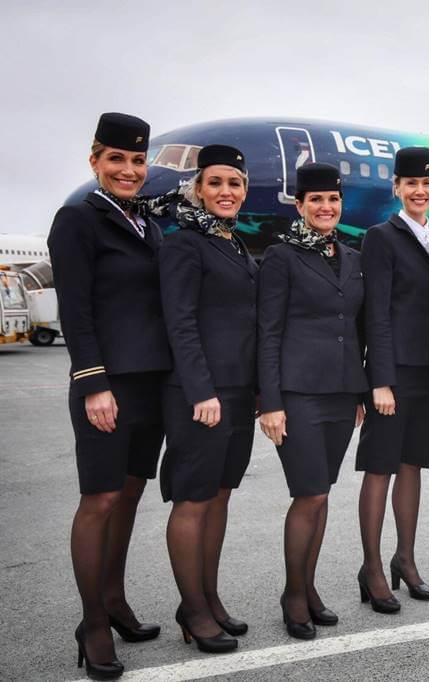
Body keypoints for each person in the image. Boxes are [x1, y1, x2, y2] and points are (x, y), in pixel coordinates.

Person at [48, 112, 172, 680]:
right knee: (98, 500)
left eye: (137, 160)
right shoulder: (78, 219)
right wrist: (93, 382)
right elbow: (75, 308)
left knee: (128, 496)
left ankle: (116, 600)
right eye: (117, 159)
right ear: (95, 161)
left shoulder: (145, 223)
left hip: (150, 385)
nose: (129, 169)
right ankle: (93, 621)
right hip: (108, 386)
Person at [258, 162, 367, 640]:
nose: (326, 208)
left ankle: (308, 585)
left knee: (322, 496)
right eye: (316, 200)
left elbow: (357, 328)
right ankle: (293, 594)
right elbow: (268, 332)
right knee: (310, 495)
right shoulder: (281, 257)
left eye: (333, 200)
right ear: (299, 205)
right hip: (298, 394)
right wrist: (270, 401)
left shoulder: (350, 255)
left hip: (343, 394)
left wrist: (360, 389)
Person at [158, 145, 258, 653]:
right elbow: (180, 322)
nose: (225, 192)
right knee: (193, 499)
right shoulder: (184, 244)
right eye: (215, 183)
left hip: (237, 393)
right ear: (198, 189)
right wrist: (201, 390)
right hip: (200, 396)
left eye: (234, 184)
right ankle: (193, 611)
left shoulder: (235, 244)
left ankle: (208, 597)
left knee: (220, 495)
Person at [355, 147, 429, 612]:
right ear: (396, 188)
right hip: (391, 376)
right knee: (380, 467)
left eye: (427, 183)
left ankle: (405, 559)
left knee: (412, 465)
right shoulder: (382, 237)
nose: (419, 190)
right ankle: (372, 568)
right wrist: (379, 380)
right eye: (410, 183)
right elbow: (374, 312)